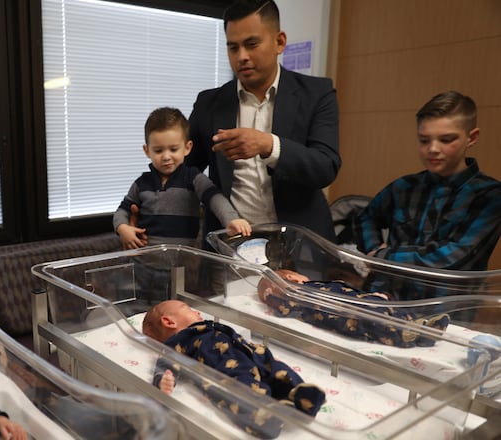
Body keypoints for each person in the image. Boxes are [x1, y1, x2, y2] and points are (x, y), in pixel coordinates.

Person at [186, 0, 340, 244]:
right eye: (233, 48)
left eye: (251, 44)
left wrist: (270, 145)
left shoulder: (316, 93)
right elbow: (185, 169)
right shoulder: (209, 103)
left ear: (279, 42)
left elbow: (326, 166)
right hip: (231, 244)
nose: (242, 57)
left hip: (299, 245)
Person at [356, 91, 501, 272]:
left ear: (471, 138)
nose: (433, 149)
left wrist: (383, 257)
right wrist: (373, 248)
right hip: (385, 294)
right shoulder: (403, 186)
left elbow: (454, 256)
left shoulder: (490, 196)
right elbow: (365, 217)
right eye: (424, 140)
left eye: (446, 140)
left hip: (445, 299)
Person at [143, 300, 325, 438]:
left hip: (257, 356)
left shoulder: (207, 326)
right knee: (240, 389)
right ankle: (262, 418)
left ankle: (298, 397)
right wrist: (162, 380)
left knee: (280, 372)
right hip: (227, 366)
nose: (197, 311)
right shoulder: (182, 339)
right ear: (169, 321)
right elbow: (166, 360)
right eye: (189, 309)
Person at [114, 107, 251, 250]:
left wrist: (231, 219)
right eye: (158, 150)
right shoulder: (141, 183)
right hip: (145, 260)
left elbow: (215, 198)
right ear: (147, 151)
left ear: (187, 148)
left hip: (181, 262)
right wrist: (122, 228)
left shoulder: (193, 178)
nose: (166, 157)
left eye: (173, 149)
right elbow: (122, 211)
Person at [258, 269, 450, 348]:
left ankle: (422, 328)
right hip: (347, 314)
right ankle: (405, 335)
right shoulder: (297, 297)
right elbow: (284, 309)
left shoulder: (316, 285)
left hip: (365, 300)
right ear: (291, 279)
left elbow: (347, 290)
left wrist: (375, 297)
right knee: (374, 322)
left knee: (392, 310)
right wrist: (272, 297)